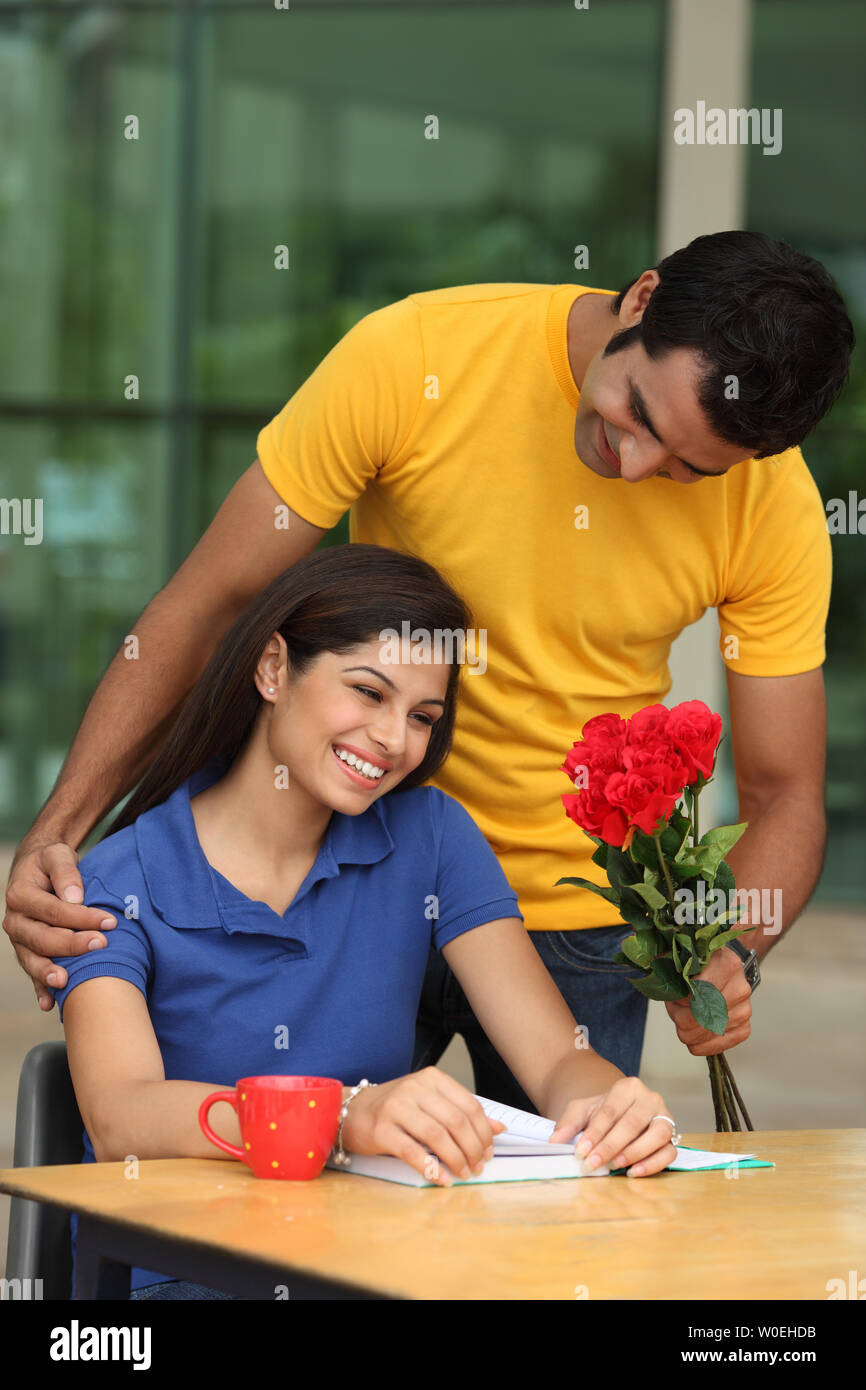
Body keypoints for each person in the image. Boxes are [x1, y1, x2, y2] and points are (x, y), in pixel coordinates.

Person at [5, 230, 853, 1103]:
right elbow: (206, 605)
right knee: (302, 1192)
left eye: (684, 470)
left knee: (561, 1217)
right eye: (638, 412)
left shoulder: (770, 504)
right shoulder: (415, 357)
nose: (634, 466)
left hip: (578, 926)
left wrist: (729, 940)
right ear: (640, 300)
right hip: (361, 876)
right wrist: (60, 832)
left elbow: (785, 796)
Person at [48, 544, 678, 1300]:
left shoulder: (433, 837)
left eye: (422, 716)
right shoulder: (118, 879)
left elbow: (553, 1060)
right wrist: (341, 1116)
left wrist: (609, 1105)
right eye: (368, 692)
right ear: (274, 668)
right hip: (180, 1277)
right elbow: (121, 1114)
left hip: (377, 1263)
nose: (394, 740)